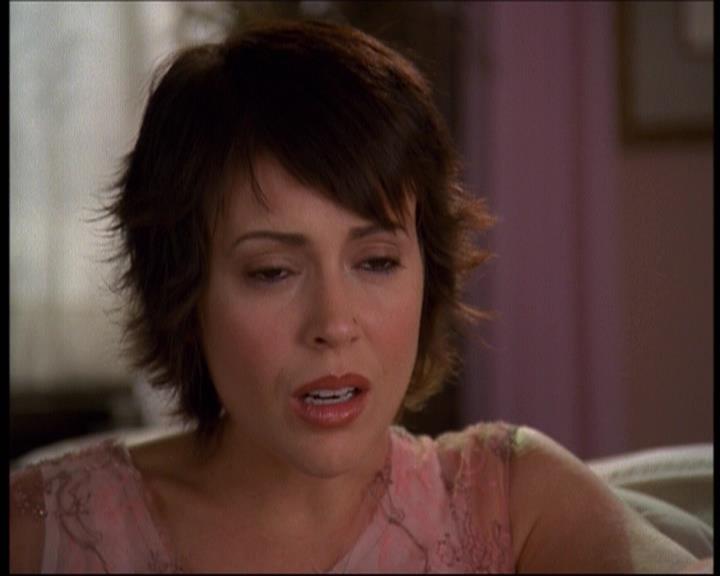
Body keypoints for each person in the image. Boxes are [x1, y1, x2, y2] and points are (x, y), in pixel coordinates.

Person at [9, 19, 711, 573]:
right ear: (183, 294)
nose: (334, 323)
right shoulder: (46, 534)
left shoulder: (517, 502)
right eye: (272, 272)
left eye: (375, 261)